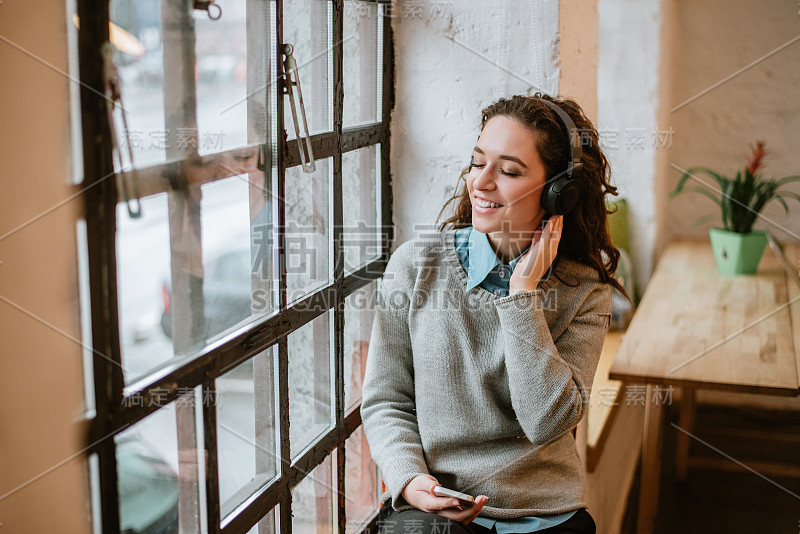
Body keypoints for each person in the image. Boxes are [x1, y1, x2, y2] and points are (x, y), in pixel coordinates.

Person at [360, 93, 630, 534]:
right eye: (476, 162)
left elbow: (546, 422)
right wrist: (411, 481)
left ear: (558, 192)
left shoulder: (584, 292)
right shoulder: (415, 266)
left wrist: (522, 294)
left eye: (507, 171)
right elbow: (386, 398)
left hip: (546, 519)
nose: (480, 182)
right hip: (437, 514)